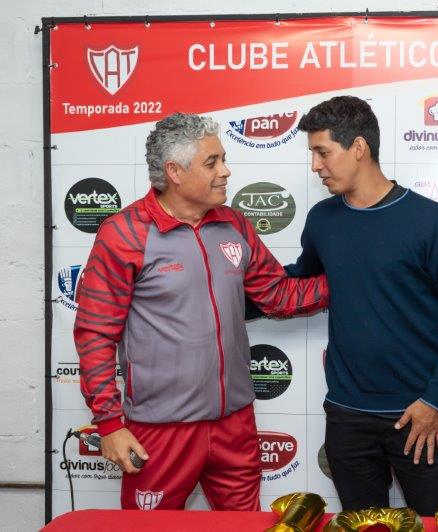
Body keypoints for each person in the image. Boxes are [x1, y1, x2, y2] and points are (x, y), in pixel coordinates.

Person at [74, 112, 328, 511]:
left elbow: (277, 295)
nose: (225, 171)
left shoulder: (234, 224)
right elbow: (95, 334)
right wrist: (109, 424)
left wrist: (352, 279)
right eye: (212, 162)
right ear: (174, 172)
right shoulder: (124, 233)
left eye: (223, 159)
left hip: (234, 425)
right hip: (160, 430)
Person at [285, 96, 438, 516]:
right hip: (347, 416)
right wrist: (223, 286)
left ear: (358, 147)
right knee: (360, 526)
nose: (315, 165)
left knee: (434, 525)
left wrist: (436, 402)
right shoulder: (322, 220)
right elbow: (298, 284)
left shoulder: (429, 220)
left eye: (323, 152)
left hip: (419, 415)